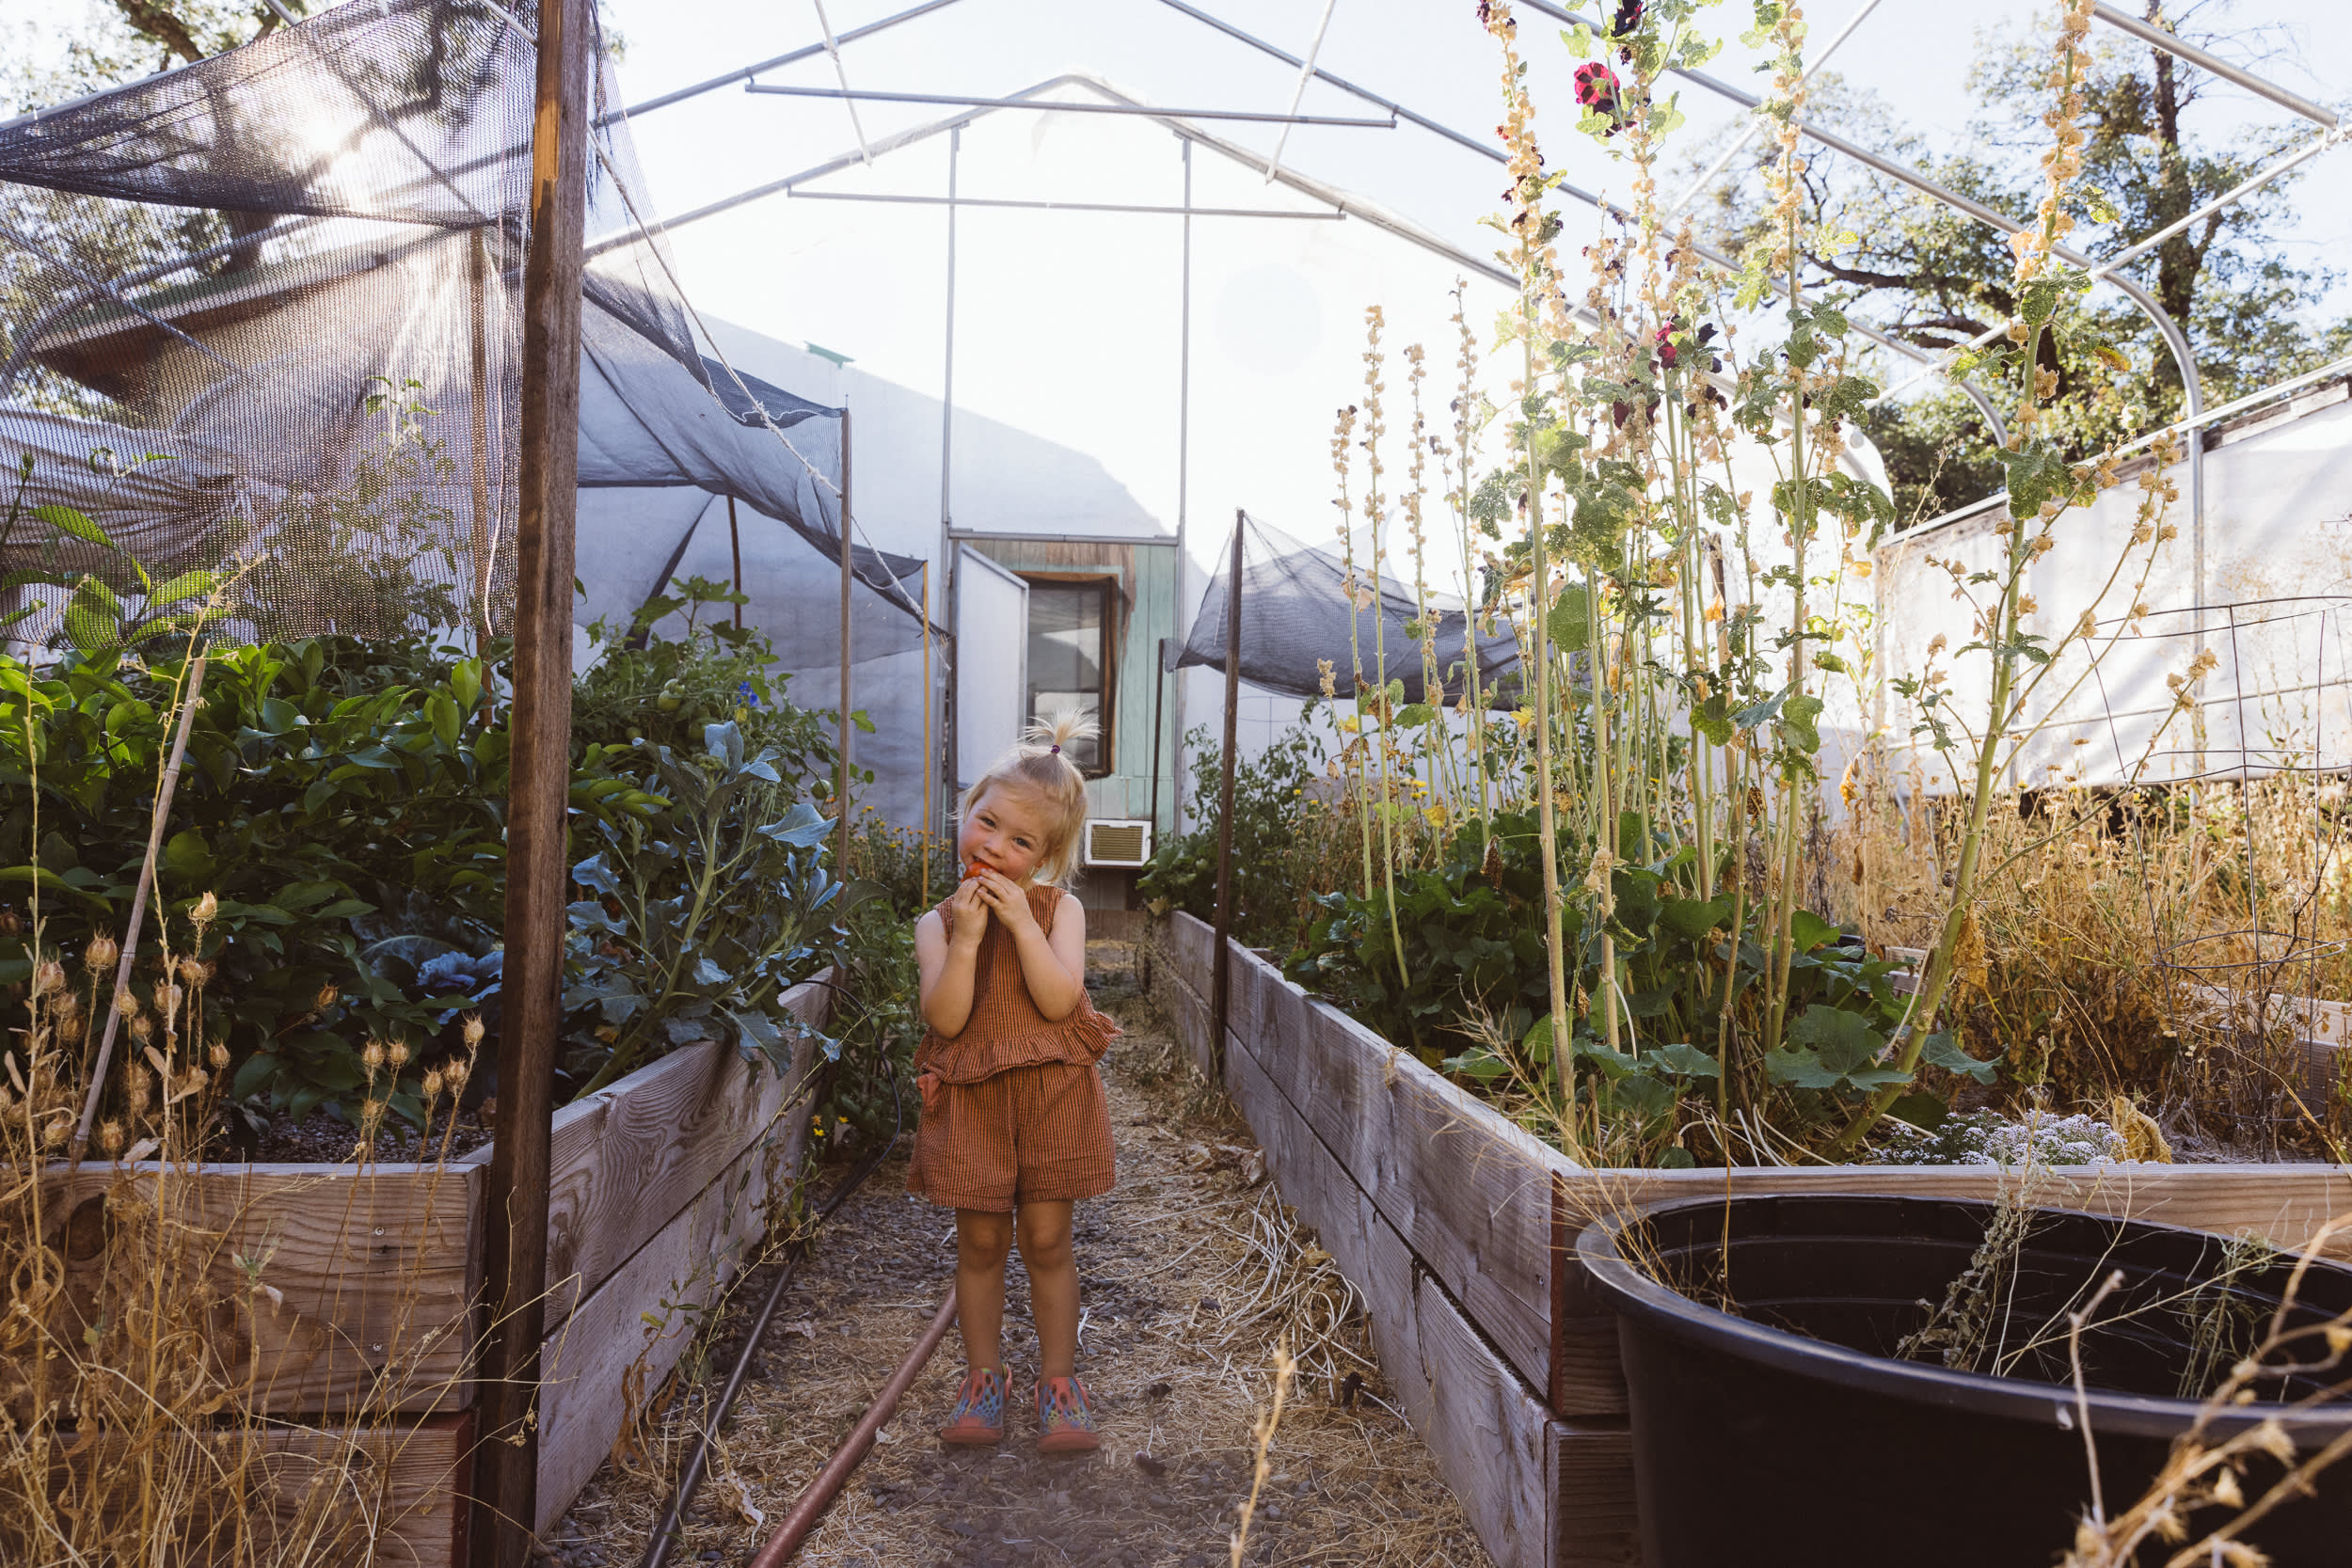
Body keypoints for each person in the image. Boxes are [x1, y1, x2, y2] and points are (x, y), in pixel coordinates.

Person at [909, 710, 1119, 1453]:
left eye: (1020, 841)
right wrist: (968, 939)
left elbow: (1061, 1001)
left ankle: (1059, 1384)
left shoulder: (1061, 910)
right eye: (987, 823)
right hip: (975, 1102)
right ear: (967, 811)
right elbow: (948, 1019)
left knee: (1048, 1236)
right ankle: (983, 1379)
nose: (995, 847)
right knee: (982, 1241)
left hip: (1050, 1097)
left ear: (1045, 859)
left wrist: (1022, 928)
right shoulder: (937, 924)